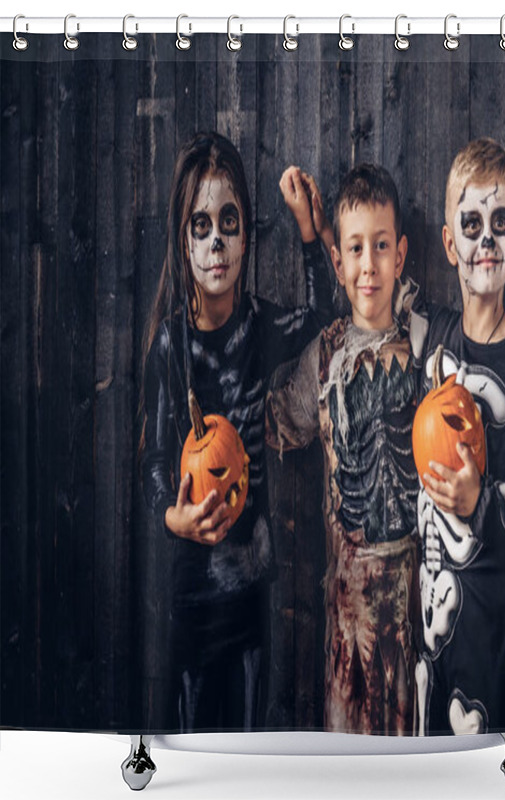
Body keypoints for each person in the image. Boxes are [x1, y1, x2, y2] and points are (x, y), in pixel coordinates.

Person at [140, 131, 332, 732]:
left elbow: (324, 313)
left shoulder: (261, 328)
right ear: (184, 237)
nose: (217, 241)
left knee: (249, 743)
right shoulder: (171, 345)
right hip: (193, 597)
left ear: (247, 234)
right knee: (193, 743)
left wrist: (309, 232)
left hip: (252, 590)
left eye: (230, 221)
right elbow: (152, 464)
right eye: (202, 225)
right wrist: (173, 519)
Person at [411, 137, 505, 735]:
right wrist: (320, 239)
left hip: (491, 616)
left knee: (476, 743)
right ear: (450, 243)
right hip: (431, 608)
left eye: (500, 224)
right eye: (471, 225)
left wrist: (484, 501)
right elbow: (371, 307)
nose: (486, 242)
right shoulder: (437, 338)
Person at [265, 164, 420, 735]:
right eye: (356, 249)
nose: (369, 265)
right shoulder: (326, 355)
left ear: (400, 255)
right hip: (345, 627)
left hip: (414, 624)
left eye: (381, 247)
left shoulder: (424, 342)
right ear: (340, 261)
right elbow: (281, 420)